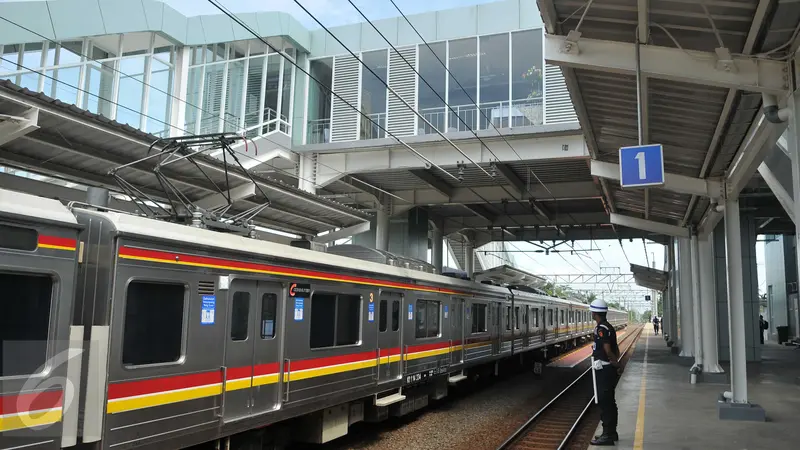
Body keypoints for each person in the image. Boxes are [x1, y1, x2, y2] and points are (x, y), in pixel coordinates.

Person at [590, 299, 622, 446]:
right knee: (609, 401)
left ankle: (607, 435)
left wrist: (615, 363)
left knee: (605, 401)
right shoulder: (608, 326)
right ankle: (611, 433)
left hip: (604, 368)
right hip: (606, 367)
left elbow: (608, 350)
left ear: (595, 312)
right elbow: (616, 348)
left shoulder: (601, 328)